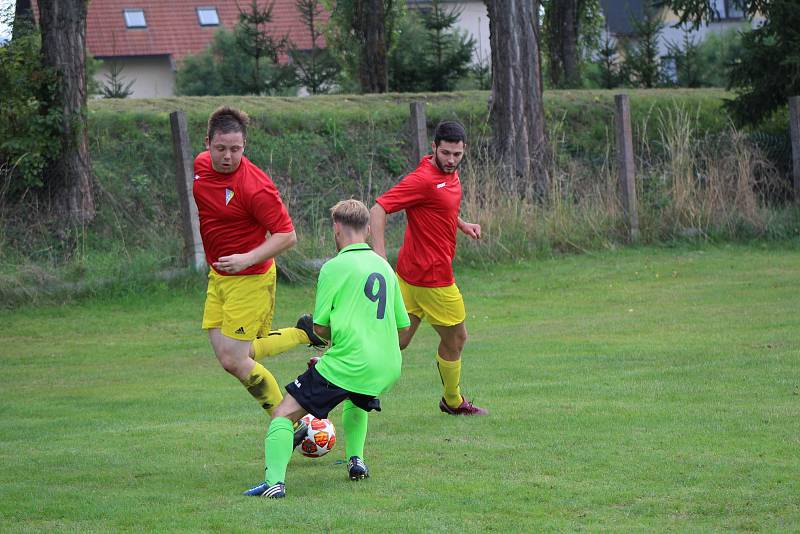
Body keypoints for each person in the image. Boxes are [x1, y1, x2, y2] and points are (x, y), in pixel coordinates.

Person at [245, 199, 410, 498]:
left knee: (283, 414)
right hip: (386, 365)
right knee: (357, 397)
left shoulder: (333, 268)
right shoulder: (385, 267)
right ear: (369, 230)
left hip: (351, 363)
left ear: (337, 229)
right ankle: (356, 461)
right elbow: (402, 326)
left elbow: (319, 329)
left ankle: (274, 484)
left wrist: (319, 341)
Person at [193, 106, 325, 432]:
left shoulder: (255, 186)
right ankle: (301, 333)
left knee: (234, 359)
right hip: (219, 277)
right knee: (233, 355)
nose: (227, 156)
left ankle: (290, 425)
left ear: (245, 146)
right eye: (220, 148)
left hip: (251, 278)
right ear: (207, 143)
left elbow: (287, 236)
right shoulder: (200, 166)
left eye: (235, 149)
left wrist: (246, 258)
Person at [369, 120, 488, 416]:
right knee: (457, 339)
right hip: (433, 279)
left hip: (410, 276)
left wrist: (461, 224)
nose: (451, 161)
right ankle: (452, 400)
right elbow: (378, 208)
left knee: (397, 341)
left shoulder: (448, 174)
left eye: (457, 155)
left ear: (464, 151)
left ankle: (332, 368)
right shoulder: (423, 178)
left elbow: (439, 206)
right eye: (445, 153)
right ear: (433, 148)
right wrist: (379, 256)